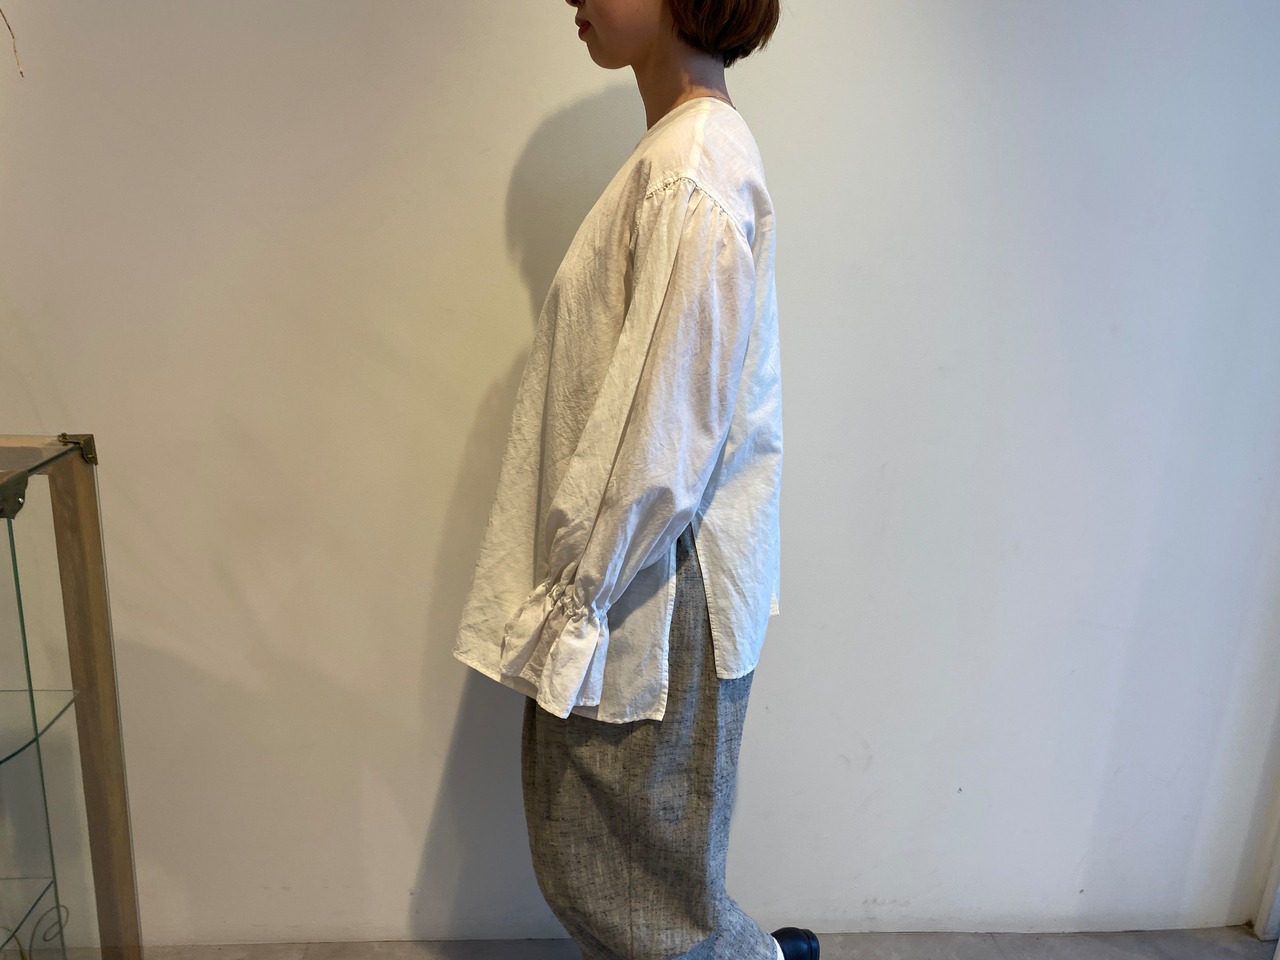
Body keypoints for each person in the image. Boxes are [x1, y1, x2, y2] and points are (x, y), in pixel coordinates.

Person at [453, 1, 818, 957]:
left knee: (629, 893)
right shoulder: (679, 156)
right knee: (627, 880)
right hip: (638, 573)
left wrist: (578, 601)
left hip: (647, 587)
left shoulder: (692, 167)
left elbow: (665, 434)